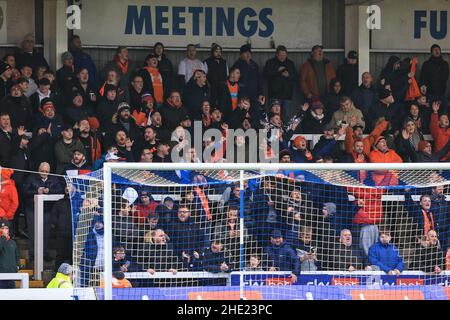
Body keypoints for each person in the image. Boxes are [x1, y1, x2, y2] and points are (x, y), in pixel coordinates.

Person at [23, 162, 63, 260]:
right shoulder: (31, 178)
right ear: (38, 170)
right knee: (33, 232)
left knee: (46, 232)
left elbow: (60, 190)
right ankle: (32, 254)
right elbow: (24, 191)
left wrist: (49, 191)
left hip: (47, 210)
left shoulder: (54, 179)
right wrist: (37, 192)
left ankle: (44, 254)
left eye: (46, 171)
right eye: (42, 171)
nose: (44, 173)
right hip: (32, 209)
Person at [263, 45, 297, 122]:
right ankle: (273, 133)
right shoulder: (270, 63)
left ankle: (285, 133)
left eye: (284, 55)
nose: (282, 57)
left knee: (286, 117)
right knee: (273, 116)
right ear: (276, 54)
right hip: (274, 96)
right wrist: (277, 71)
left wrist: (289, 75)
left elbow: (295, 77)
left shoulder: (290, 63)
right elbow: (265, 75)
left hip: (287, 96)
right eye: (280, 55)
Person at [232, 44, 264, 109]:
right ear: (241, 55)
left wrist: (260, 93)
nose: (248, 54)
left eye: (249, 53)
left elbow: (259, 81)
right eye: (245, 53)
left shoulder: (254, 65)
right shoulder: (237, 65)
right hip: (242, 96)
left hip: (254, 96)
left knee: (254, 114)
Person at [51, 186, 73, 267]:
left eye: (70, 187)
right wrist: (58, 225)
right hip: (61, 233)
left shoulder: (77, 202)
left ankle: (73, 277)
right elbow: (53, 216)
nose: (67, 188)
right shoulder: (59, 202)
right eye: (66, 187)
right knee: (60, 255)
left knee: (73, 255)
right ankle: (57, 274)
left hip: (73, 235)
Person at [0, 219, 19, 289]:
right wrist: (3, 238)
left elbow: (16, 255)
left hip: (11, 276)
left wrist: (17, 266)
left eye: (6, 228)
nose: (4, 230)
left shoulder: (12, 242)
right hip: (1, 276)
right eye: (2, 228)